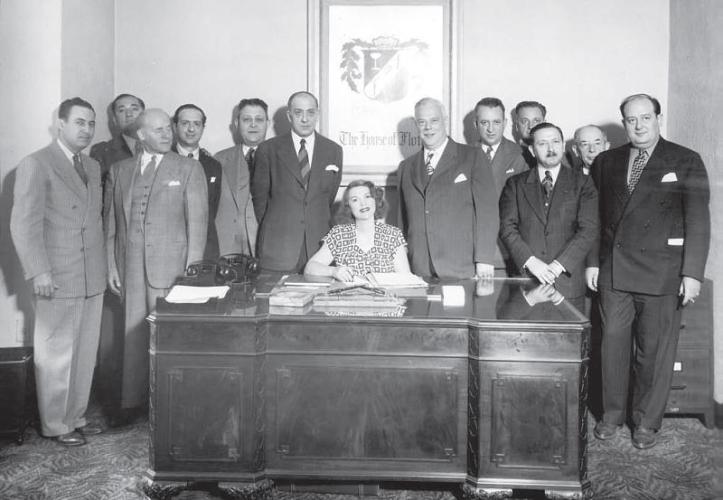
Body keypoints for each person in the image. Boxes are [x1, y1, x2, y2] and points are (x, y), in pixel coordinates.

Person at [587, 93, 710, 449]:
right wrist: (594, 262)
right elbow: (595, 219)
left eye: (645, 118)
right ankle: (611, 416)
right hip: (614, 272)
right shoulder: (607, 161)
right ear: (623, 123)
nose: (638, 125)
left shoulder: (685, 160)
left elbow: (698, 221)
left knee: (653, 352)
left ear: (658, 118)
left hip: (662, 272)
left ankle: (645, 422)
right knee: (611, 347)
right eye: (631, 119)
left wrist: (692, 273)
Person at [10, 97, 106, 446]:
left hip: (91, 276)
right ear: (60, 124)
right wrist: (39, 272)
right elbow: (24, 226)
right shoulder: (36, 163)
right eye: (79, 122)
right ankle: (55, 424)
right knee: (55, 355)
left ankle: (75, 416)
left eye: (91, 123)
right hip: (57, 276)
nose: (86, 130)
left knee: (83, 353)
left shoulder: (92, 167)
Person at [105, 108, 207, 423]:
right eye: (159, 130)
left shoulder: (189, 168)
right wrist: (111, 266)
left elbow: (198, 224)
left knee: (168, 339)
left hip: (172, 269)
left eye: (168, 129)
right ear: (141, 135)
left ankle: (171, 408)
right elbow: (110, 225)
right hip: (131, 268)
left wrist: (192, 271)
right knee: (132, 340)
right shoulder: (119, 170)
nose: (168, 134)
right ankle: (132, 404)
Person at [499, 122, 598, 313]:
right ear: (532, 150)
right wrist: (531, 262)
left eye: (555, 142)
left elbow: (588, 230)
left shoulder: (584, 184)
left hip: (568, 284)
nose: (551, 148)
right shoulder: (515, 184)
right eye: (543, 143)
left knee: (569, 341)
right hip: (527, 283)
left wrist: (558, 266)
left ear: (563, 145)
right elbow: (507, 228)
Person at [397, 97, 498, 279]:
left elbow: (488, 212)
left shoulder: (472, 156)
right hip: (419, 268)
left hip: (462, 267)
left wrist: (484, 259)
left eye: (434, 120)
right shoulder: (406, 167)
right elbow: (402, 221)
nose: (428, 127)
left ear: (445, 121)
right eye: (422, 122)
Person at [251, 91, 343, 272]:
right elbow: (260, 200)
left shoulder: (333, 150)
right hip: (279, 246)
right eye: (298, 112)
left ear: (317, 114)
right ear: (289, 115)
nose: (305, 119)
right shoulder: (268, 149)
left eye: (310, 112)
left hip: (318, 247)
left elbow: (328, 196)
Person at [305, 180, 410, 280]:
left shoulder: (393, 235)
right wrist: (333, 271)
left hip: (384, 297)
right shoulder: (339, 234)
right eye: (355, 200)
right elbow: (310, 268)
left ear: (376, 201)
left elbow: (405, 278)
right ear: (348, 206)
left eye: (367, 197)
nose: (363, 203)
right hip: (348, 297)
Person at [215, 98, 268, 257]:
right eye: (246, 120)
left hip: (267, 246)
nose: (253, 125)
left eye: (259, 119)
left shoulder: (280, 157)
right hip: (229, 249)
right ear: (237, 123)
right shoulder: (219, 160)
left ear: (267, 123)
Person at [172, 103, 222, 260]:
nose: (191, 129)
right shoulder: (164, 161)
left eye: (197, 124)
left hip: (206, 248)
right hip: (171, 247)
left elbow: (213, 207)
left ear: (203, 128)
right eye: (185, 123)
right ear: (175, 127)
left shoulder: (213, 165)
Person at [474, 97, 528, 195]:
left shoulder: (521, 155)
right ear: (476, 124)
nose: (490, 129)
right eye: (484, 123)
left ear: (504, 123)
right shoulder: (464, 155)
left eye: (496, 122)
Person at [90, 93, 145, 185]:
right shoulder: (102, 152)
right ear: (115, 120)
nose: (129, 114)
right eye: (122, 110)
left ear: (144, 115)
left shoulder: (161, 146)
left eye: (134, 109)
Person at [512, 100, 546, 168]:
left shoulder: (558, 154)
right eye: (525, 121)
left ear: (545, 124)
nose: (530, 126)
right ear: (517, 126)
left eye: (536, 121)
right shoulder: (509, 156)